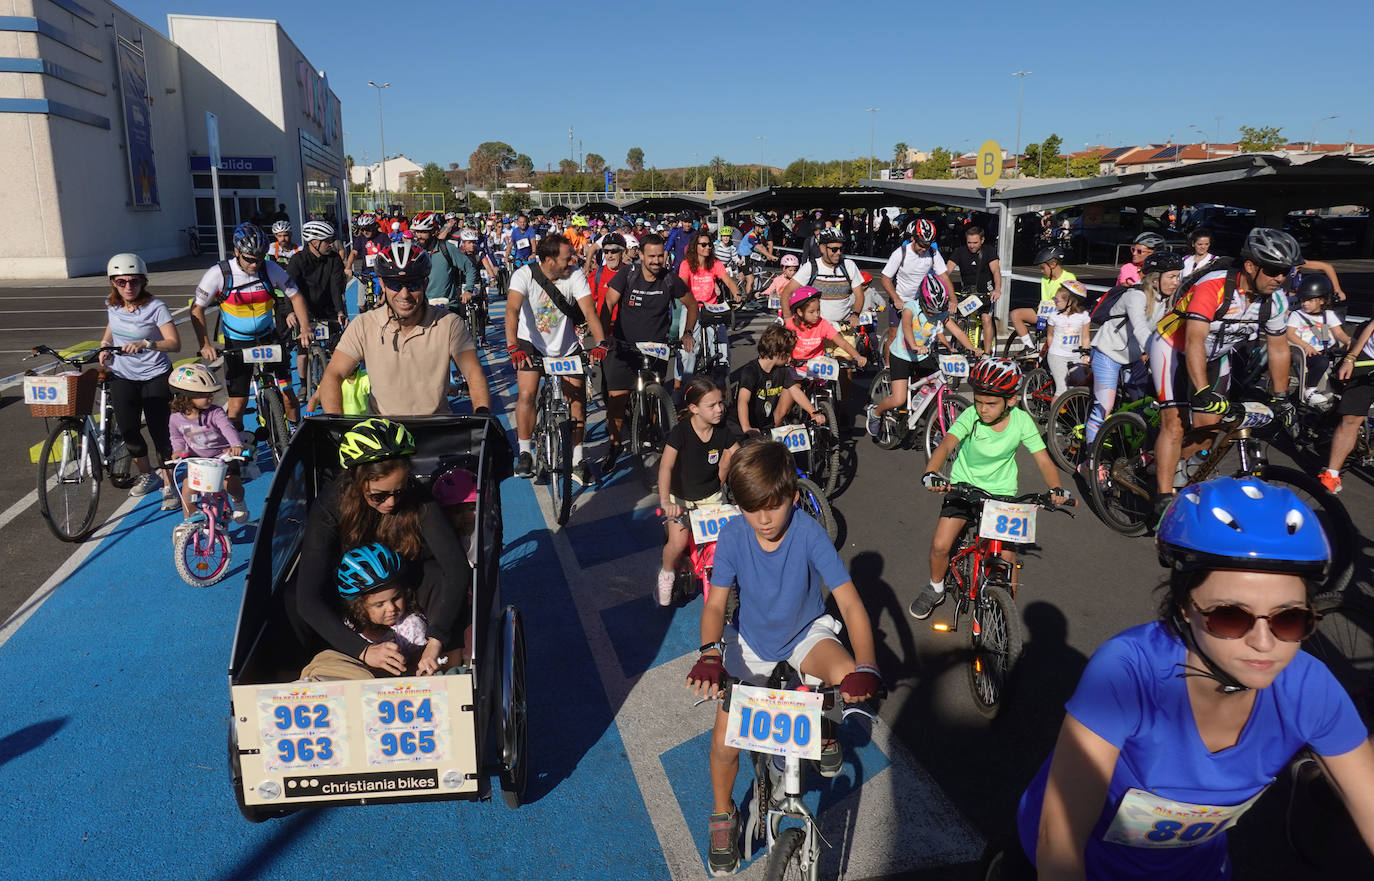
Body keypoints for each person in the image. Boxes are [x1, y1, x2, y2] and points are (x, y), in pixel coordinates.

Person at [1016, 477, 1374, 881]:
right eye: (1230, 616)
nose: (1263, 643)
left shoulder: (1310, 688)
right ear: (1185, 607)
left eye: (1289, 619)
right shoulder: (1128, 672)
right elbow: (1059, 837)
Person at [685, 439, 881, 876]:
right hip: (749, 640)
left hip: (804, 633)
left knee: (846, 674)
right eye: (753, 508)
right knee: (723, 740)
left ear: (794, 497)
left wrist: (868, 665)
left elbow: (849, 604)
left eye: (774, 506)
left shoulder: (808, 532)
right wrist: (710, 655)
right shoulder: (734, 533)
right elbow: (716, 605)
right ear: (740, 505)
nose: (765, 518)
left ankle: (825, 724)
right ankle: (722, 814)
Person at [294, 420, 471, 675]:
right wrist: (363, 651)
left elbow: (457, 569)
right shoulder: (331, 504)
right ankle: (292, 676)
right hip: (353, 589)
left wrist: (437, 639)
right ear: (357, 481)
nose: (390, 502)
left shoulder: (416, 497)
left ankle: (450, 671)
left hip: (405, 583)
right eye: (378, 496)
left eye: (398, 492)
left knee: (440, 578)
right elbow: (307, 598)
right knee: (292, 597)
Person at [1148, 228, 1297, 512]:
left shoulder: (1276, 301)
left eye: (1285, 271)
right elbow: (1193, 340)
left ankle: (1158, 460)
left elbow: (1279, 348)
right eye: (1274, 270)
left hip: (1216, 354)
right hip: (1172, 347)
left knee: (1209, 430)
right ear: (1251, 266)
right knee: (1176, 424)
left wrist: (1281, 397)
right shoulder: (1212, 286)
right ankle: (1163, 497)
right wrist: (1202, 391)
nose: (1280, 278)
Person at [912, 359, 1067, 619]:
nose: (982, 409)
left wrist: (1056, 488)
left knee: (1007, 557)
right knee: (941, 545)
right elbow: (947, 443)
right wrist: (932, 472)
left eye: (991, 404)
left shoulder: (1021, 422)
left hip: (1001, 492)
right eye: (978, 401)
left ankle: (1006, 616)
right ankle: (935, 586)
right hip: (963, 485)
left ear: (1012, 400)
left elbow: (1043, 459)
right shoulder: (971, 416)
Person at [320, 240, 491, 417]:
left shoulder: (449, 324)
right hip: (383, 433)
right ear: (382, 284)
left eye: (412, 285)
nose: (404, 294)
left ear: (425, 284)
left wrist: (483, 413)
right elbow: (333, 375)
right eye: (395, 285)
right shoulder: (364, 325)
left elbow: (473, 373)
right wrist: (336, 425)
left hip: (435, 430)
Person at [504, 233, 610, 482]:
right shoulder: (524, 275)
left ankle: (577, 459)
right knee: (527, 394)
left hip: (565, 346)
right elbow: (512, 310)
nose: (572, 260)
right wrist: (512, 346)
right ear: (549, 260)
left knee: (577, 401)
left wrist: (601, 342)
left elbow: (588, 311)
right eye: (566, 257)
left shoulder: (574, 275)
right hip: (530, 344)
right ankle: (525, 451)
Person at [191, 223, 312, 429]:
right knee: (237, 405)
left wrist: (305, 328)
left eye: (260, 258)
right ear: (237, 252)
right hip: (237, 342)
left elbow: (296, 296)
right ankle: (239, 452)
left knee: (288, 396)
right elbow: (196, 309)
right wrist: (204, 344)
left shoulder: (270, 268)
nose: (255, 265)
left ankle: (293, 434)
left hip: (268, 337)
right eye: (249, 259)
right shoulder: (219, 274)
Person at [600, 234, 698, 473]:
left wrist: (687, 333)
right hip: (623, 347)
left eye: (660, 255)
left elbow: (692, 305)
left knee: (655, 398)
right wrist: (604, 338)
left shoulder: (669, 280)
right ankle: (614, 446)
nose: (656, 261)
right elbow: (608, 304)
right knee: (617, 398)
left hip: (656, 348)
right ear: (640, 255)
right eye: (651, 256)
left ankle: (654, 436)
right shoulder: (628, 274)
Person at [99, 252, 180, 509]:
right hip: (123, 376)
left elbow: (175, 343)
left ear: (143, 281)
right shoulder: (112, 305)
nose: (128, 286)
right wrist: (105, 345)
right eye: (121, 281)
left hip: (155, 375)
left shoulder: (156, 307)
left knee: (161, 433)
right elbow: (111, 328)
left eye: (133, 281)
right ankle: (148, 475)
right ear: (113, 282)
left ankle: (169, 484)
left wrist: (148, 343)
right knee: (129, 432)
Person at [301, 543, 443, 680]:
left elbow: (419, 668)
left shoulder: (411, 627)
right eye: (379, 604)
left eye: (396, 598)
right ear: (359, 606)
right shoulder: (348, 626)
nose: (391, 608)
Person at [656, 378, 738, 605]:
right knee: (677, 542)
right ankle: (667, 573)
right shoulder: (681, 432)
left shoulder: (723, 430)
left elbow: (738, 455)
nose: (720, 409)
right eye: (711, 405)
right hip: (680, 498)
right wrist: (665, 501)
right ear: (694, 409)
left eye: (721, 403)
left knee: (728, 541)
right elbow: (666, 466)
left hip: (711, 496)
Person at [1085, 250, 1181, 447]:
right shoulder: (1135, 296)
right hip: (1107, 353)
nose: (1176, 282)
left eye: (1177, 276)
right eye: (1171, 277)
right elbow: (1140, 328)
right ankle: (1090, 461)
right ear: (1155, 279)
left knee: (1145, 406)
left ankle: (1133, 447)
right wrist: (1157, 355)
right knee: (1104, 408)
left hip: (1133, 357)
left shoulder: (1165, 301)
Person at [865, 274, 978, 437]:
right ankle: (875, 413)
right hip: (902, 355)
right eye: (930, 310)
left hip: (923, 356)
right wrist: (914, 345)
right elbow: (906, 326)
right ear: (922, 301)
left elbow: (957, 331)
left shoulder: (939, 313)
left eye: (937, 311)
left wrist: (973, 348)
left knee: (935, 388)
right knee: (898, 399)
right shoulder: (911, 307)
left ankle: (939, 428)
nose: (933, 314)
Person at [167, 363, 247, 528]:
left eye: (210, 394)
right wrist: (178, 451)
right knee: (188, 491)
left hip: (222, 456)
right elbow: (176, 437)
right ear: (186, 396)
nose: (210, 398)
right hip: (197, 460)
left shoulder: (215, 412)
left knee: (231, 484)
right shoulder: (176, 418)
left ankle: (238, 501)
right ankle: (189, 521)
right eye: (204, 395)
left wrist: (235, 445)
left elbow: (228, 428)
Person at [1317, 289, 1374, 494]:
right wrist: (1351, 358)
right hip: (1368, 357)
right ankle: (1332, 473)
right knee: (1351, 418)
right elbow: (1371, 326)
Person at [286, 220, 348, 402]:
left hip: (327, 308)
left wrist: (340, 312)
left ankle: (335, 379)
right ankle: (304, 385)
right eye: (327, 241)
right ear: (314, 242)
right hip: (304, 311)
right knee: (302, 351)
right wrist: (290, 312)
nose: (331, 244)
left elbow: (337, 288)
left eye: (332, 240)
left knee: (337, 347)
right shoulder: (297, 260)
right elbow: (289, 289)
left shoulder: (334, 259)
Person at [879, 219, 954, 351]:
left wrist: (953, 299)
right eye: (921, 245)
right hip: (901, 298)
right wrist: (896, 298)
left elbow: (943, 276)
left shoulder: (932, 253)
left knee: (922, 335)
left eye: (927, 245)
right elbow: (885, 278)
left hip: (920, 302)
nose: (924, 249)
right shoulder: (900, 253)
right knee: (894, 335)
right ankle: (887, 368)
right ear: (913, 238)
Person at [734, 324, 820, 435]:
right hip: (745, 427)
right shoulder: (751, 371)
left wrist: (814, 413)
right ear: (778, 352)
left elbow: (795, 392)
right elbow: (743, 400)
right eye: (788, 353)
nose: (790, 358)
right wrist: (747, 428)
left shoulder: (782, 370)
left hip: (766, 426)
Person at [677, 229, 740, 378]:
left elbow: (729, 281)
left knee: (723, 349)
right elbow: (682, 286)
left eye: (710, 245)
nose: (708, 248)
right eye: (703, 244)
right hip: (692, 309)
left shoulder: (715, 263)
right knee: (687, 351)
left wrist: (737, 294)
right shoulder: (686, 264)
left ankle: (723, 387)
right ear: (695, 247)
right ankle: (684, 385)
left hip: (712, 308)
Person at [1285, 274, 1350, 407]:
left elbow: (1339, 333)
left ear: (1321, 301)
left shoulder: (1328, 315)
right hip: (1304, 353)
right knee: (1321, 362)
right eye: (1303, 300)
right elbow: (1290, 334)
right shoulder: (1297, 315)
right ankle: (1309, 390)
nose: (1305, 303)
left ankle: (1345, 391)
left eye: (1309, 300)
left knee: (1345, 361)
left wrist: (1351, 342)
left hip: (1325, 351)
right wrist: (1306, 346)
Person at [1009, 246, 1078, 353]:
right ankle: (1029, 346)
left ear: (1053, 265)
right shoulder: (1045, 279)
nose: (1041, 271)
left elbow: (1070, 302)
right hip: (1045, 312)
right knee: (1015, 314)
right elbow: (1045, 300)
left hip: (1061, 315)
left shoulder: (1069, 277)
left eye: (1043, 267)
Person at [784, 286, 867, 368]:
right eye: (811, 312)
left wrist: (857, 356)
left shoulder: (822, 324)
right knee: (796, 382)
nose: (817, 315)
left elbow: (843, 343)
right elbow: (784, 345)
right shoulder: (791, 325)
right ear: (800, 312)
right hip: (797, 369)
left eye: (818, 310)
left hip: (818, 369)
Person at [947, 224, 1002, 350]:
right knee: (959, 319)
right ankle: (958, 346)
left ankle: (987, 353)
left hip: (985, 292)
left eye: (975, 242)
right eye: (969, 242)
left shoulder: (989, 251)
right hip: (967, 292)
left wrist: (997, 289)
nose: (972, 245)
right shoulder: (960, 251)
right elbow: (946, 272)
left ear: (982, 240)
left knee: (986, 318)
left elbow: (996, 271)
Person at [411, 211, 478, 311]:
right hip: (422, 307)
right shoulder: (413, 252)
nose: (419, 235)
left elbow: (469, 267)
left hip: (448, 306)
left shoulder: (446, 248)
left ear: (434, 231)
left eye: (424, 232)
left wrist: (468, 290)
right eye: (417, 232)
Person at [1045, 279, 1093, 397]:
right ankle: (1054, 415)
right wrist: (1053, 352)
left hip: (1076, 355)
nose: (1055, 302)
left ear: (1070, 302)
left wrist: (1086, 356)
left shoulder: (1083, 316)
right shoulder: (1054, 316)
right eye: (1054, 299)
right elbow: (1050, 335)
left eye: (1057, 300)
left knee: (1081, 386)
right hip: (1057, 356)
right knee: (1062, 390)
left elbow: (1085, 337)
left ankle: (1071, 412)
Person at [432, 465, 478, 568]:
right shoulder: (444, 539)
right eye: (457, 512)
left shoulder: (486, 532)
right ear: (445, 515)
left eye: (472, 509)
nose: (467, 516)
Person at [344, 213, 391, 310]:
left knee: (381, 301)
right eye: (362, 229)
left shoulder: (383, 237)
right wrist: (348, 267)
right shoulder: (361, 238)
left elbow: (390, 253)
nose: (365, 232)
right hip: (365, 272)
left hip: (380, 273)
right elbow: (353, 253)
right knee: (361, 303)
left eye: (367, 229)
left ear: (374, 226)